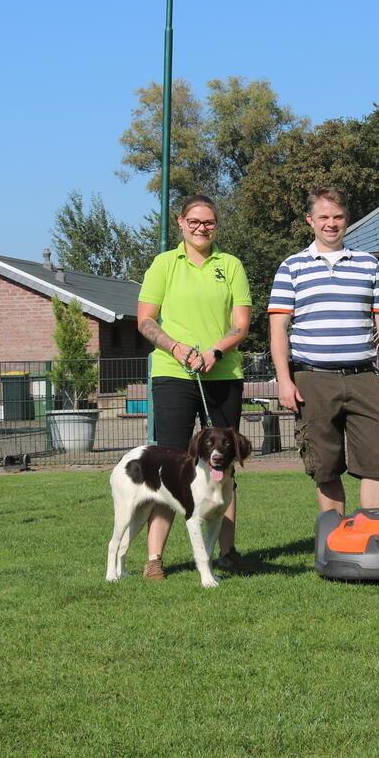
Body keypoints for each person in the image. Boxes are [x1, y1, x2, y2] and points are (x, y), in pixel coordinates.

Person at [136, 194, 252, 580]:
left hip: (222, 375)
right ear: (181, 222)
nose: (202, 228)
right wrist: (177, 347)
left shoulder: (231, 265)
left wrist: (216, 350)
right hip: (173, 374)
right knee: (171, 465)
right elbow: (146, 321)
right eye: (195, 221)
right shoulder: (164, 264)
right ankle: (154, 558)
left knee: (226, 464)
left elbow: (240, 324)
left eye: (210, 222)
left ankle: (228, 551)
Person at [269, 187, 379, 514]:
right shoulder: (291, 267)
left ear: (347, 219)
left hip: (365, 378)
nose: (331, 223)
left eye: (338, 217)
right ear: (310, 220)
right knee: (324, 465)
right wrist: (284, 381)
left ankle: (375, 536)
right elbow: (278, 331)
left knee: (376, 461)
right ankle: (336, 544)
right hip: (312, 379)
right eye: (324, 217)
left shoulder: (369, 264)